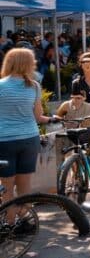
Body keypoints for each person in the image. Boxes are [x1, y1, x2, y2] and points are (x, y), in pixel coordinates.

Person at [0, 48, 53, 226]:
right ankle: (25, 221)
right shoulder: (34, 86)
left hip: (4, 140)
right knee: (25, 185)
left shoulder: (0, 86)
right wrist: (52, 119)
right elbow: (38, 117)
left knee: (6, 186)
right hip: (29, 139)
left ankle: (9, 224)